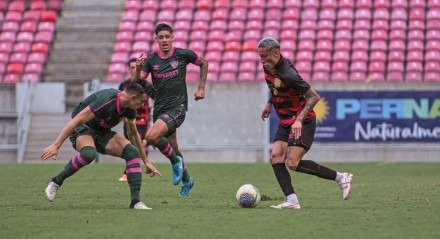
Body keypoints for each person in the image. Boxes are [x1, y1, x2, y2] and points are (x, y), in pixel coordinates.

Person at [257, 37, 353, 209]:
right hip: (286, 120)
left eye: (264, 56)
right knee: (275, 157)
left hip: (303, 120)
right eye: (260, 56)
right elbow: (275, 86)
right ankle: (292, 200)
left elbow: (314, 96)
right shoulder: (268, 66)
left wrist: (299, 120)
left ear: (276, 53)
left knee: (292, 162)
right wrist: (270, 103)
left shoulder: (289, 74)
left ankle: (341, 177)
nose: (262, 60)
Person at [41, 81, 162, 210]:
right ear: (132, 98)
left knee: (132, 152)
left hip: (102, 132)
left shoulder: (129, 109)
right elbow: (76, 120)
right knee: (89, 154)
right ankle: (55, 181)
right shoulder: (107, 100)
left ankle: (136, 202)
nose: (142, 105)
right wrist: (56, 144)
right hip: (82, 127)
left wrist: (146, 161)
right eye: (141, 102)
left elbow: (133, 133)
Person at [134, 23, 208, 197]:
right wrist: (138, 69)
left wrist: (201, 88)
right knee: (173, 148)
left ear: (173, 37)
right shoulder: (151, 60)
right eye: (161, 37)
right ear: (156, 39)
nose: (165, 40)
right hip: (160, 109)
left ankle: (175, 163)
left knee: (151, 136)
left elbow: (204, 63)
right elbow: (137, 83)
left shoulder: (182, 54)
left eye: (167, 36)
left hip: (178, 107)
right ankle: (187, 180)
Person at [117, 58, 152, 182]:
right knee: (128, 146)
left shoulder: (147, 85)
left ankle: (128, 172)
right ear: (128, 69)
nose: (134, 69)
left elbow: (154, 99)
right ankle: (135, 168)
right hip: (127, 119)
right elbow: (119, 102)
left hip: (142, 119)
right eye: (131, 67)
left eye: (135, 67)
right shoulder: (124, 85)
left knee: (138, 144)